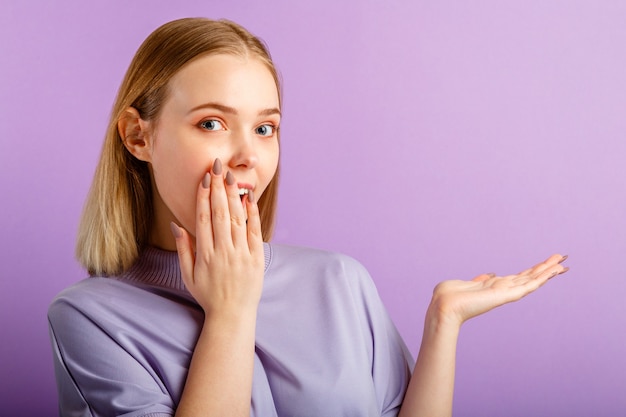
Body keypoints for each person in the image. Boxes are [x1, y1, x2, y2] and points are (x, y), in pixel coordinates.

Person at [48, 17, 569, 417]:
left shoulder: (338, 280)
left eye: (265, 128)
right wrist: (230, 311)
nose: (247, 155)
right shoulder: (89, 320)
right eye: (212, 122)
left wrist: (443, 323)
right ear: (139, 136)